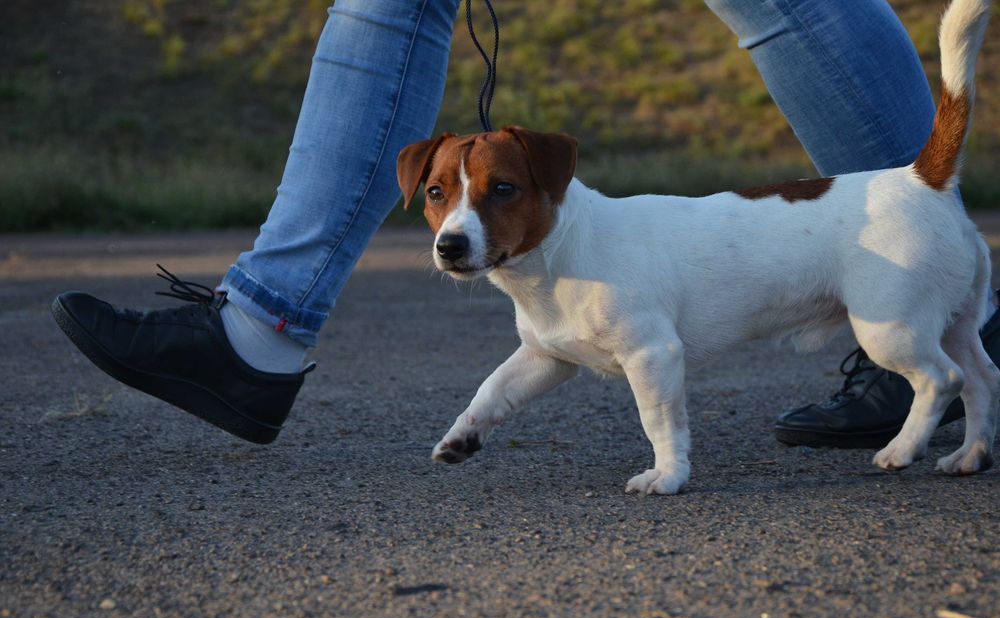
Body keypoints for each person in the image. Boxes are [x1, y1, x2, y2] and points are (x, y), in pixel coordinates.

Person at [52, 0, 1000, 446]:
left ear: (543, 183)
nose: (453, 223)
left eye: (491, 195)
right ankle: (262, 320)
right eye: (437, 200)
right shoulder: (533, 280)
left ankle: (911, 238)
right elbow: (540, 352)